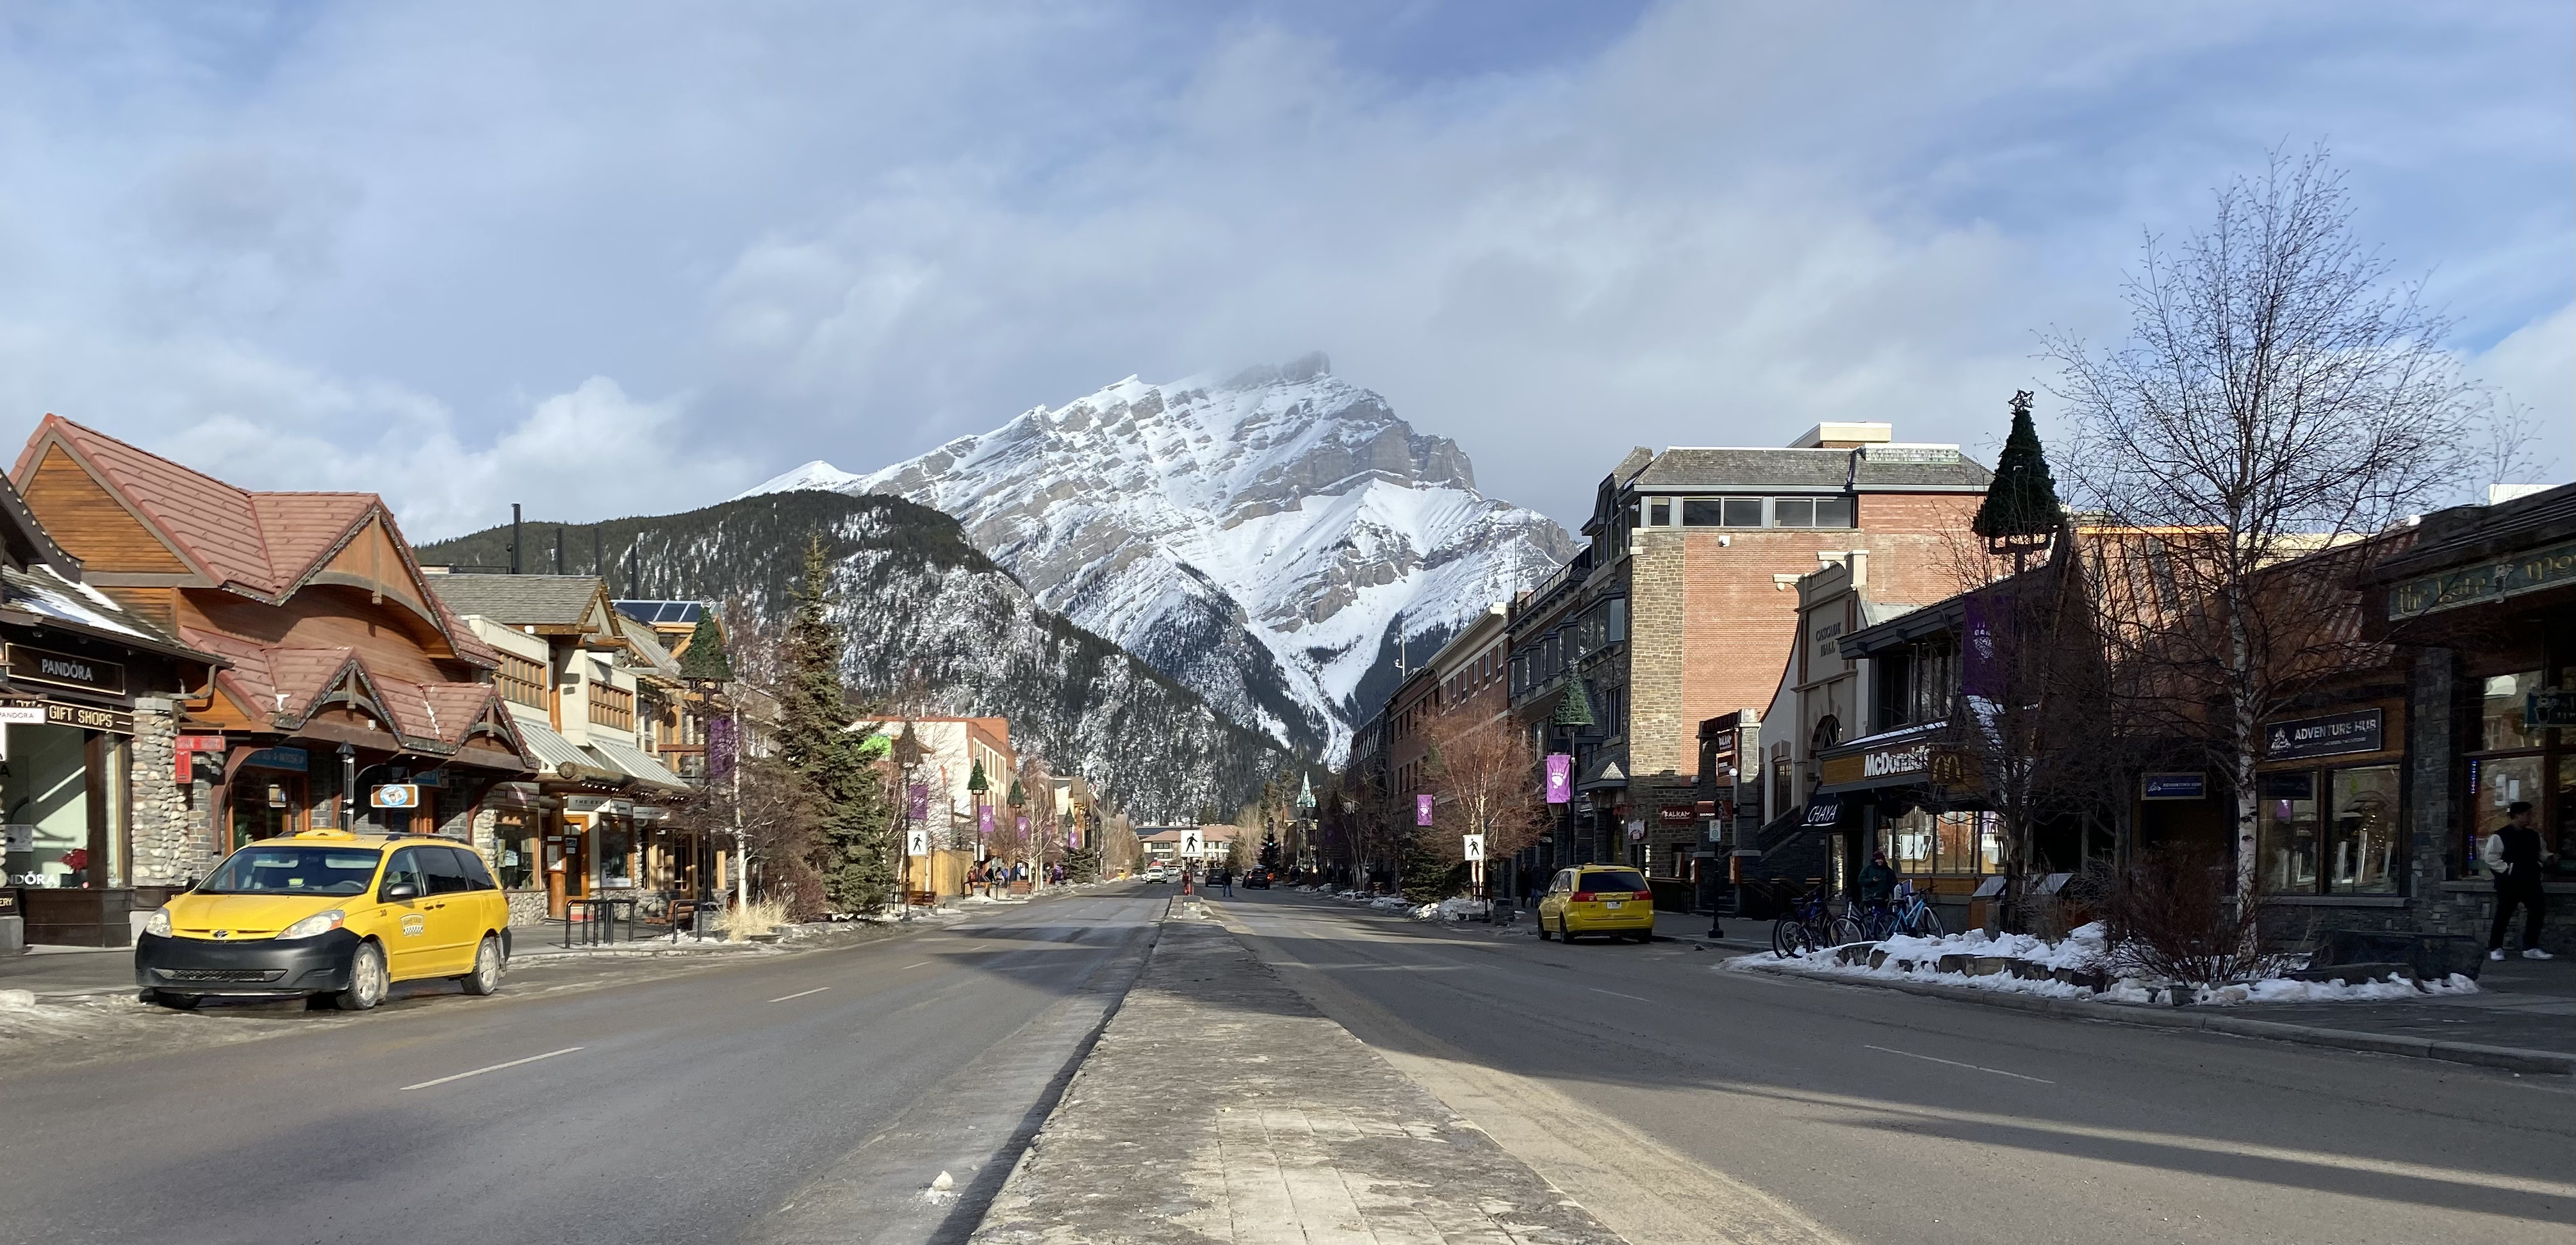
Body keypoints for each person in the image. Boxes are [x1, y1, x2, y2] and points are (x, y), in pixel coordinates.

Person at [2482, 801, 2556, 961]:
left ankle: (2530, 947)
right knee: (2504, 913)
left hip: (2531, 880)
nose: (2530, 817)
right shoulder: (2500, 836)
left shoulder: (2534, 835)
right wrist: (2508, 869)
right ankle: (2496, 947)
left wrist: (2548, 858)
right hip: (2510, 881)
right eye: (2527, 814)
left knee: (2537, 911)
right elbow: (2490, 858)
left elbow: (2541, 853)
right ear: (2517, 816)